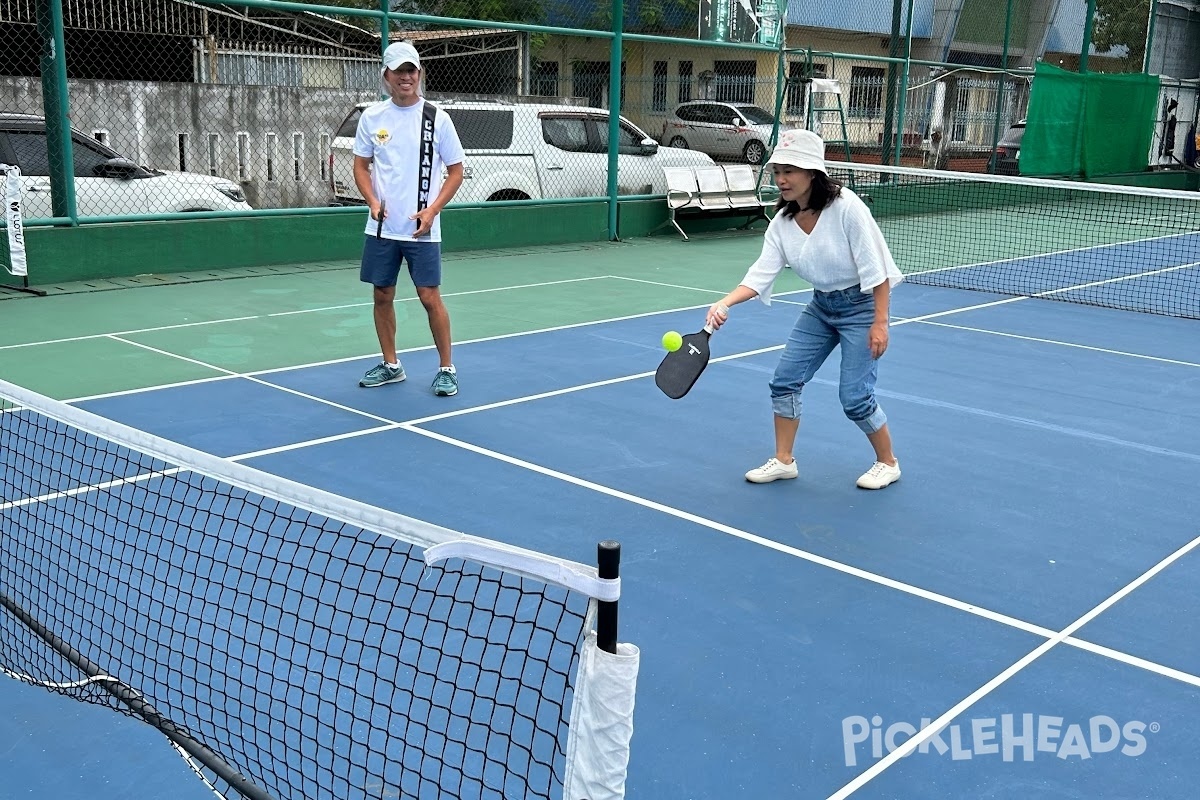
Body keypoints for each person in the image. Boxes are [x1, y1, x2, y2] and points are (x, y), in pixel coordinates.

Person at [706, 129, 904, 490]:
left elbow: (877, 270)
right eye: (777, 171)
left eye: (790, 171)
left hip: (861, 308)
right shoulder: (781, 223)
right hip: (821, 307)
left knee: (855, 398)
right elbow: (760, 274)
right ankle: (784, 461)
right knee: (784, 382)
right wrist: (724, 302)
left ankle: (888, 462)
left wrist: (880, 322)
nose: (780, 179)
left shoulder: (847, 208)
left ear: (812, 173)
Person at [353, 40, 466, 396]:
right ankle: (391, 365)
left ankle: (446, 368)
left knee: (429, 297)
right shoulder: (372, 118)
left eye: (411, 70)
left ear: (419, 74)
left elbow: (456, 171)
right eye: (399, 71)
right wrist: (372, 200)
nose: (406, 77)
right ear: (386, 76)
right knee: (382, 295)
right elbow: (360, 166)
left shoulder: (438, 118)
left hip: (422, 229)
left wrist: (432, 210)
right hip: (383, 229)